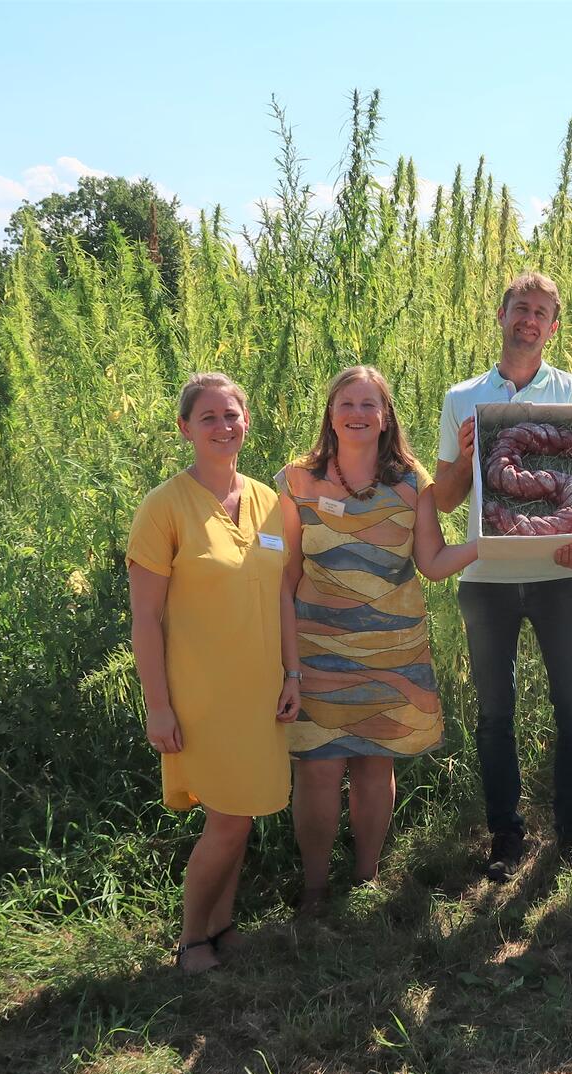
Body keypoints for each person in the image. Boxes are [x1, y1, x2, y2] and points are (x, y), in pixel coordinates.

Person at [278, 365, 478, 914]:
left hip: (393, 652)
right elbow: (285, 576)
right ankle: (315, 888)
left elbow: (434, 564)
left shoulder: (412, 481)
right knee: (317, 770)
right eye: (348, 403)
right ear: (331, 413)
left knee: (374, 766)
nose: (359, 414)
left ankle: (366, 879)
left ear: (386, 416)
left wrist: (491, 543)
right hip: (316, 652)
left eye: (370, 405)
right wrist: (289, 667)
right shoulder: (296, 481)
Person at [432, 271, 572, 880]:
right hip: (488, 578)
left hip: (559, 577)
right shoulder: (463, 398)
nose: (529, 320)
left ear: (554, 327)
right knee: (494, 712)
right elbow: (447, 499)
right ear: (500, 315)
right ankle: (505, 835)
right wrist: (467, 451)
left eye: (541, 312)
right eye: (520, 308)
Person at [127, 372, 294, 974]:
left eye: (232, 415)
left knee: (241, 813)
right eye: (209, 418)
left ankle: (222, 926)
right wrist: (159, 705)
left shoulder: (270, 503)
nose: (223, 427)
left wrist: (292, 675)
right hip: (203, 696)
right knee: (226, 819)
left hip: (261, 691)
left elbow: (282, 598)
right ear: (185, 429)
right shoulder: (164, 507)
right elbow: (145, 619)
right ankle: (192, 940)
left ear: (247, 421)